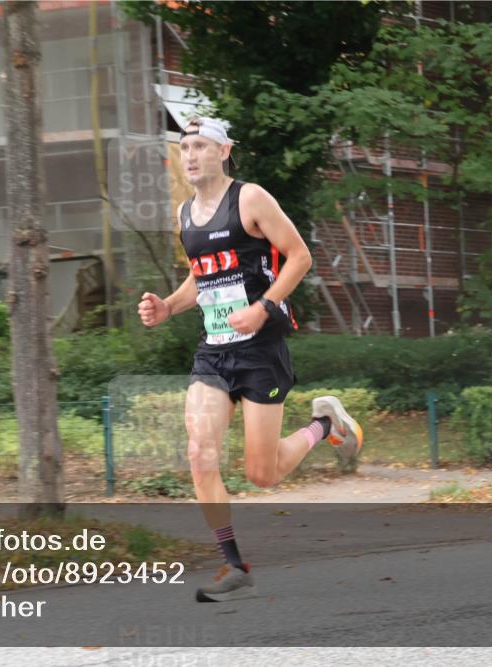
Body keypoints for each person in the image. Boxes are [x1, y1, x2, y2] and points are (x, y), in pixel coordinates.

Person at [137, 117, 363, 602]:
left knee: (263, 473)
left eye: (200, 146)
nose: (190, 155)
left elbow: (299, 256)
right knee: (200, 452)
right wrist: (167, 308)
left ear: (224, 151)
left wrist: (263, 307)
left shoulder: (251, 198)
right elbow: (203, 278)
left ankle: (325, 425)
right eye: (184, 148)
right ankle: (233, 564)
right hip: (214, 353)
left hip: (260, 350)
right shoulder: (185, 215)